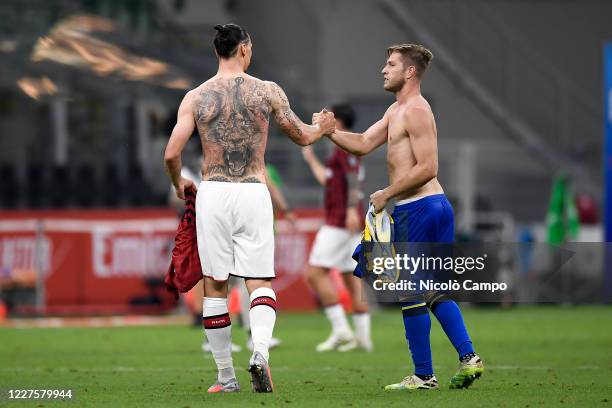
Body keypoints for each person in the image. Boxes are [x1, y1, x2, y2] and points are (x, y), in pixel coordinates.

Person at [163, 23, 335, 394]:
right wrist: (324, 127)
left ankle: (226, 377)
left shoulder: (196, 97)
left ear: (216, 52)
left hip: (214, 191)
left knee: (216, 284)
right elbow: (303, 135)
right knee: (258, 280)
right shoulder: (267, 91)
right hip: (254, 191)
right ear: (244, 48)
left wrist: (179, 183)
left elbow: (172, 153)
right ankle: (260, 353)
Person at [318, 44, 483, 390]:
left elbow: (429, 167)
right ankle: (469, 359)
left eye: (391, 64)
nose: (383, 69)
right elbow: (363, 142)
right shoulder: (397, 110)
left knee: (410, 293)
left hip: (419, 207)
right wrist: (331, 131)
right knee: (434, 291)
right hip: (430, 207)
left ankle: (424, 375)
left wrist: (387, 194)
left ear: (410, 72)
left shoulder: (417, 110)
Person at [301, 104, 372, 352]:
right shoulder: (342, 148)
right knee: (348, 275)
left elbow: (353, 180)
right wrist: (311, 159)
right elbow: (328, 180)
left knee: (314, 273)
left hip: (340, 220)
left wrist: (352, 209)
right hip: (346, 220)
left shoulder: (344, 148)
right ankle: (363, 337)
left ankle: (341, 330)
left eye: (328, 116)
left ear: (337, 121)